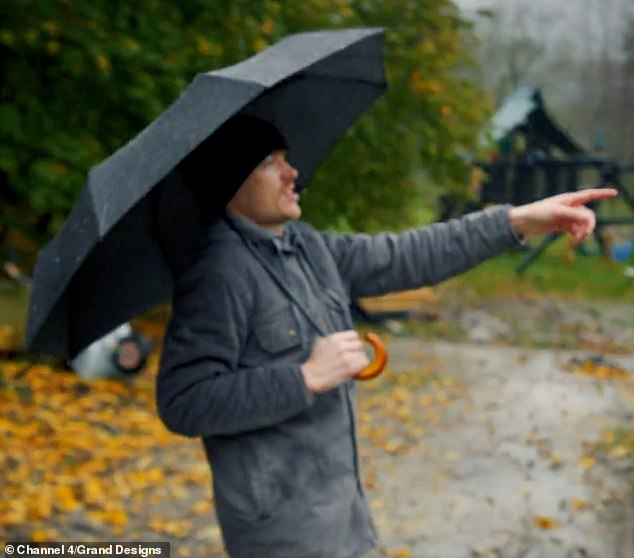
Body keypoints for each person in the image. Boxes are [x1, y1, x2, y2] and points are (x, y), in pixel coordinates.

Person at [156, 114, 617, 558]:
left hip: (340, 519)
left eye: (285, 157)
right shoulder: (218, 274)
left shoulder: (306, 248)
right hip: (280, 535)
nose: (292, 172)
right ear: (232, 180)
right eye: (269, 163)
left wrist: (516, 221)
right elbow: (185, 401)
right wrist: (305, 377)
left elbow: (407, 255)